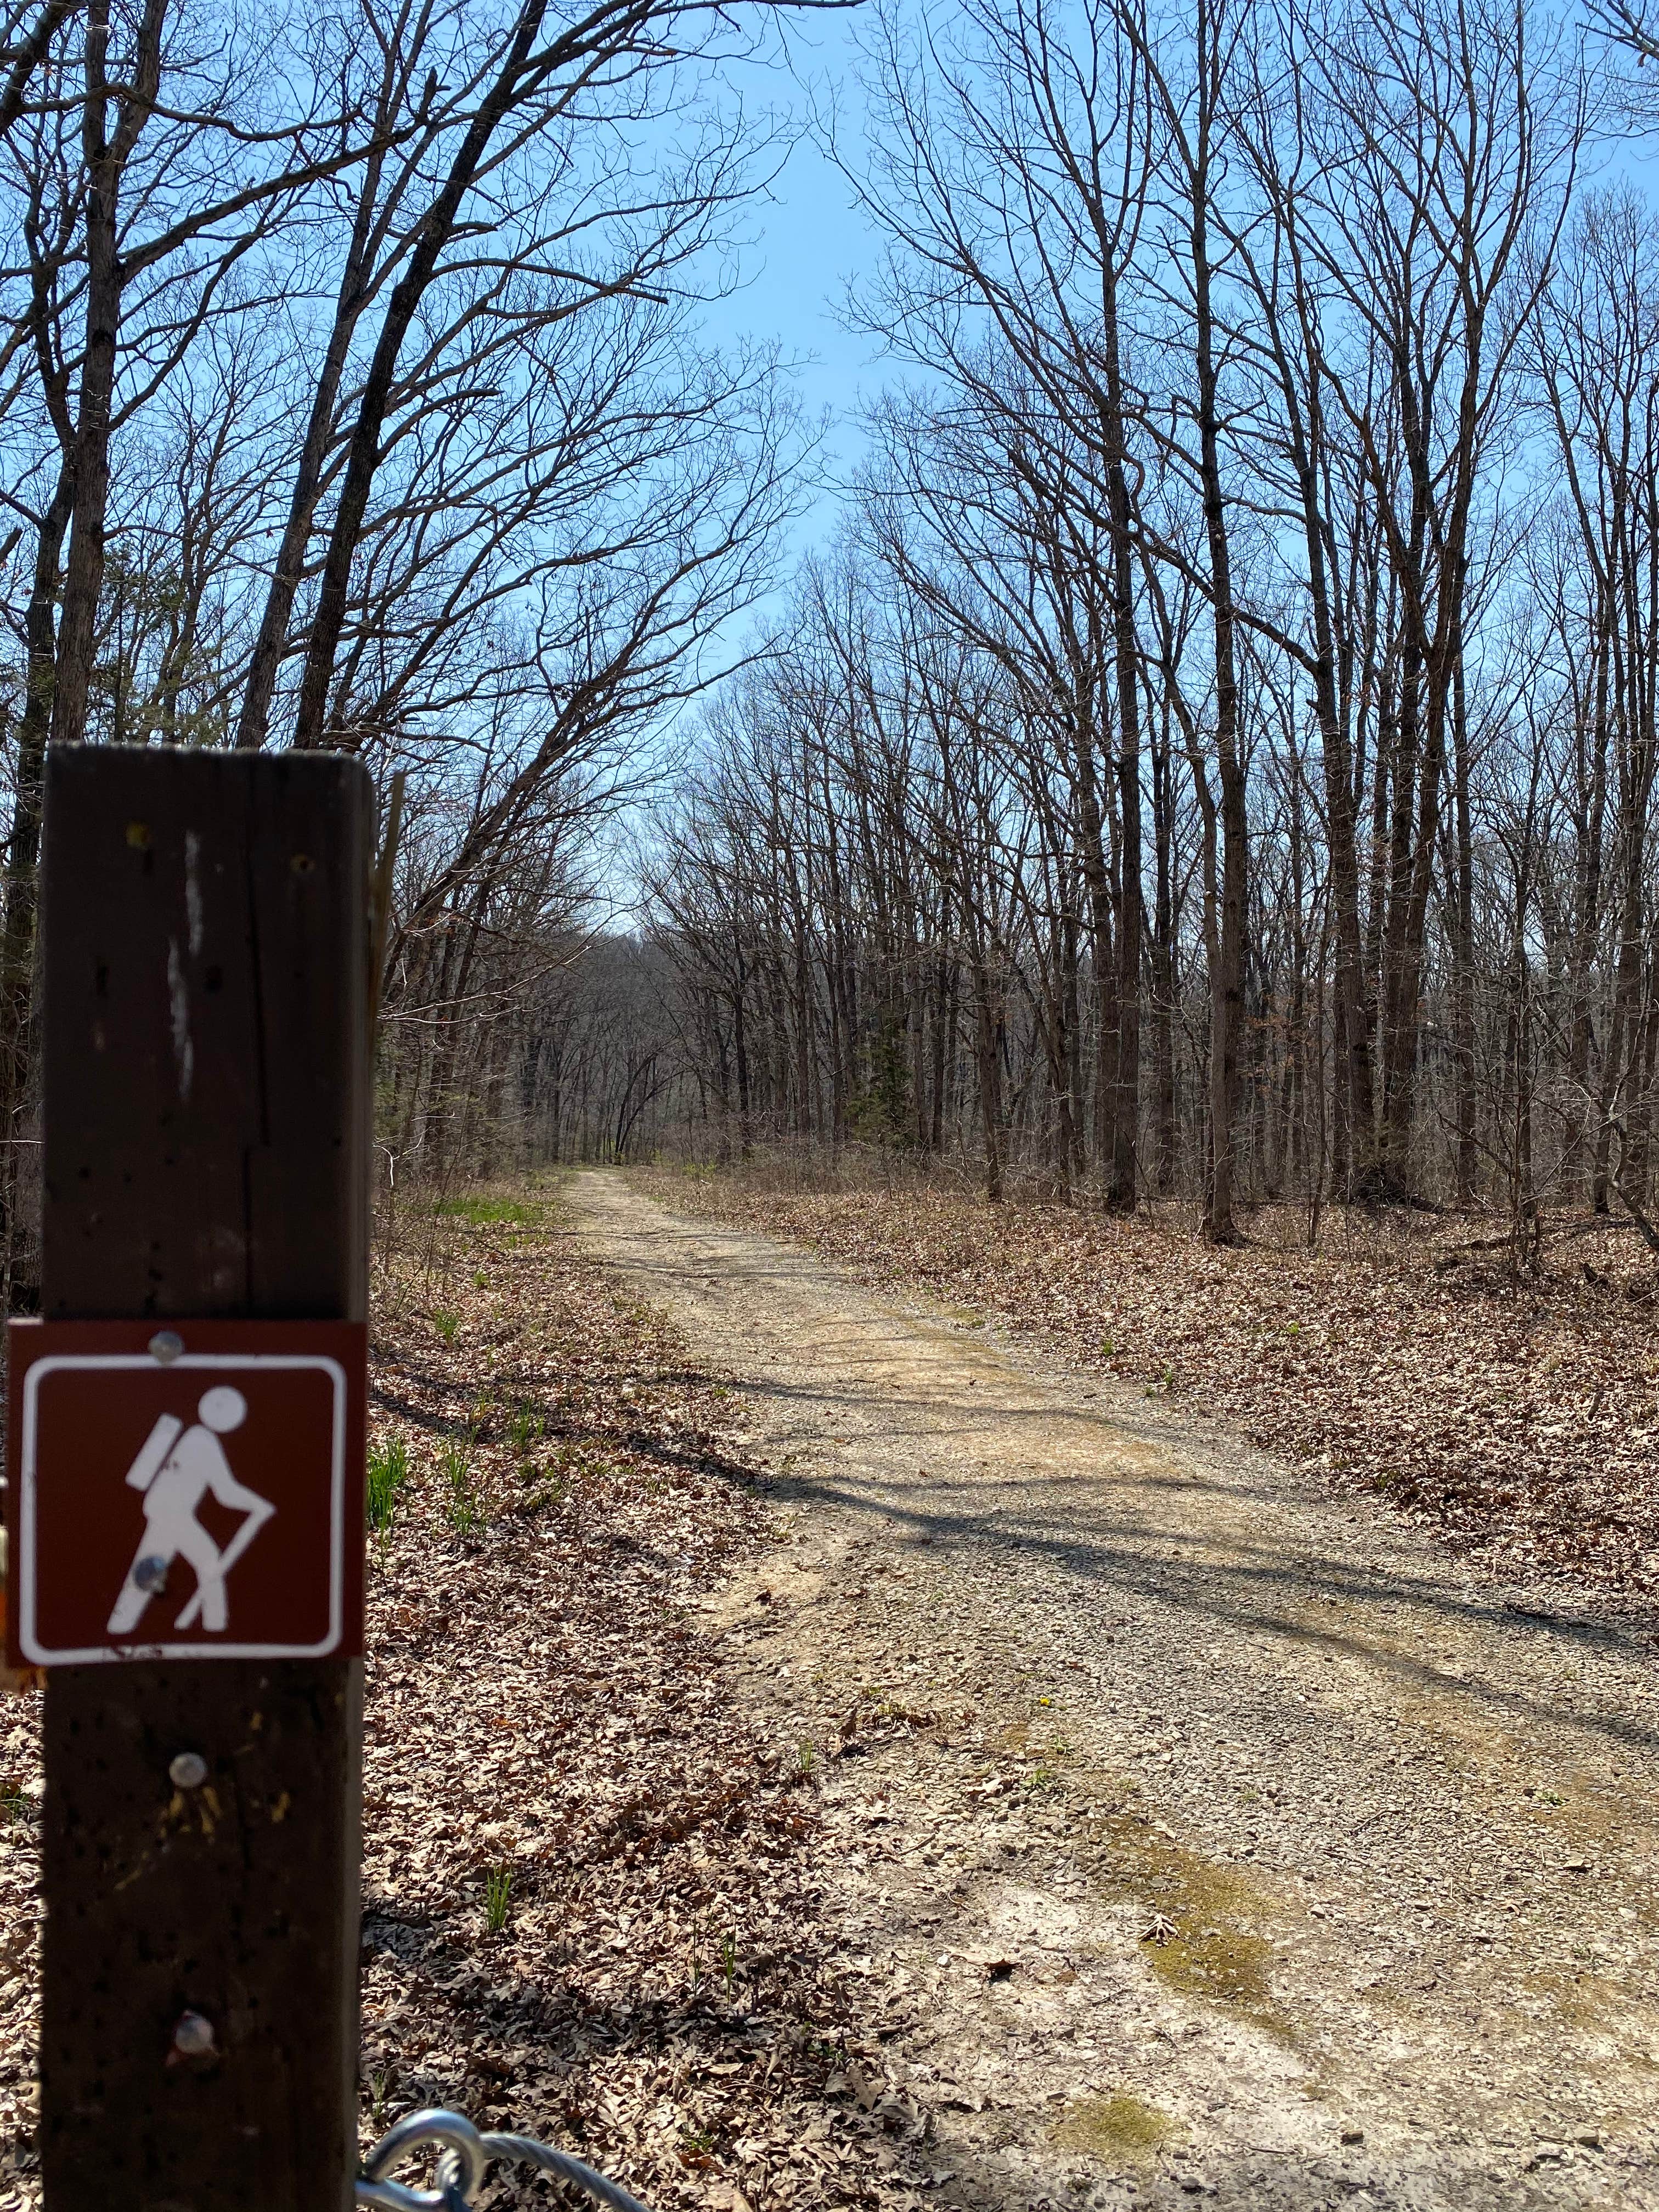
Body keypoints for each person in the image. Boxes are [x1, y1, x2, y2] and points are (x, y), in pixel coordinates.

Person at [107, 1386, 274, 1636]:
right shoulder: (204, 1442)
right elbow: (225, 1492)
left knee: (153, 1567)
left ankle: (121, 1625)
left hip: (164, 1510)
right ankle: (215, 1627)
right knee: (207, 1561)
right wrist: (256, 1503)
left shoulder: (192, 1435)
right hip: (173, 1514)